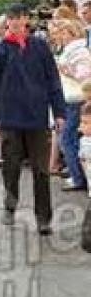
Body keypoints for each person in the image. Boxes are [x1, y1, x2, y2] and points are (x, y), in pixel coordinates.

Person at [0, 3, 66, 236]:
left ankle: (43, 218)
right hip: (9, 118)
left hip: (37, 117)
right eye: (13, 19)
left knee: (41, 170)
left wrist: (59, 112)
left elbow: (53, 81)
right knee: (11, 166)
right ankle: (10, 206)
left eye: (21, 18)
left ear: (26, 21)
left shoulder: (40, 47)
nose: (18, 23)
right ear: (7, 22)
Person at [53, 19, 91, 192]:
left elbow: (85, 77)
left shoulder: (79, 51)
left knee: (68, 139)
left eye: (62, 32)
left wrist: (65, 70)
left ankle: (78, 177)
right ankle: (77, 173)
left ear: (71, 33)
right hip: (69, 98)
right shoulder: (69, 50)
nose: (58, 35)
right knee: (68, 139)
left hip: (75, 99)